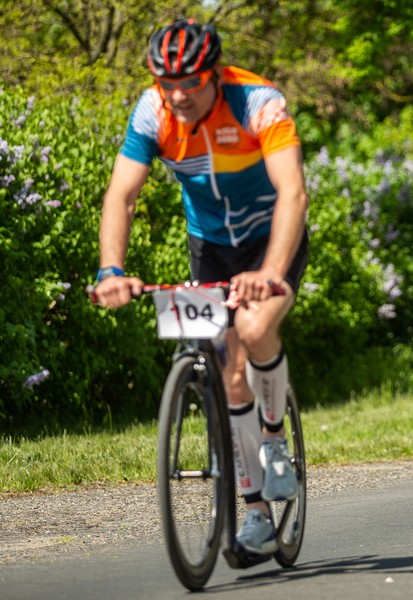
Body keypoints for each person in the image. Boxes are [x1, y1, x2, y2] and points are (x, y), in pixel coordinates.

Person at [91, 19, 310, 556]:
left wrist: (271, 273)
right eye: (168, 83)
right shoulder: (152, 111)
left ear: (214, 74)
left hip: (270, 238)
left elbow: (293, 195)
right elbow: (121, 195)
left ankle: (276, 440)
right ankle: (255, 512)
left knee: (255, 328)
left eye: (191, 81)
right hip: (209, 244)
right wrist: (111, 270)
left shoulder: (259, 102)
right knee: (226, 365)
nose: (179, 94)